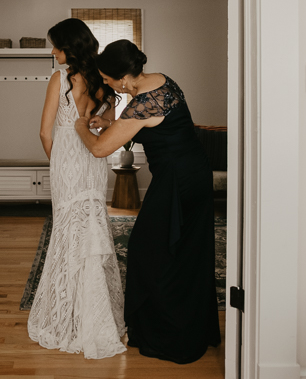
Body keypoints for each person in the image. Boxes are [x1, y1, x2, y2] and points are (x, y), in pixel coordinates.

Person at [74, 39, 221, 364]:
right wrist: (113, 124)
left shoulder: (139, 104)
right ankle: (191, 327)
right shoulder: (162, 81)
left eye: (109, 79)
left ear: (123, 79)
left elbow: (99, 149)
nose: (108, 85)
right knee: (188, 252)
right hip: (197, 172)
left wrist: (82, 126)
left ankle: (167, 335)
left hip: (175, 183)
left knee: (146, 250)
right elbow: (159, 126)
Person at [27, 18, 126, 359]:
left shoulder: (59, 79)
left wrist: (59, 166)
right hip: (94, 157)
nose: (53, 51)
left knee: (68, 231)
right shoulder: (103, 81)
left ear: (71, 46)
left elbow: (44, 133)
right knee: (93, 225)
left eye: (56, 45)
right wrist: (98, 122)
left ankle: (69, 314)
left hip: (67, 160)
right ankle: (95, 311)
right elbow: (111, 126)